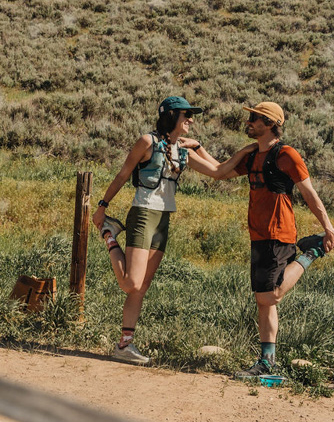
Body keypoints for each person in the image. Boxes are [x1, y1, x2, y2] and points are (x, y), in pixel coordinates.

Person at [92, 96, 254, 365]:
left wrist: (245, 151)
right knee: (131, 282)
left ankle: (124, 346)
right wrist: (102, 206)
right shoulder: (147, 142)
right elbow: (122, 174)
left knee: (141, 288)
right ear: (170, 117)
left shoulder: (184, 151)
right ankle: (109, 234)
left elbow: (219, 171)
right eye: (185, 115)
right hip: (143, 213)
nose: (190, 119)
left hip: (164, 218)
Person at [211, 101, 334, 379]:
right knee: (263, 299)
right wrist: (195, 149)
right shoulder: (253, 156)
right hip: (258, 235)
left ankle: (312, 252)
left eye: (256, 118)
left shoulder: (287, 155)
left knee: (272, 295)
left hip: (278, 232)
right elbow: (218, 172)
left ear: (270, 123)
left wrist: (327, 227)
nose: (250, 121)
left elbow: (309, 193)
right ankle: (267, 362)